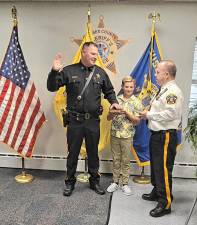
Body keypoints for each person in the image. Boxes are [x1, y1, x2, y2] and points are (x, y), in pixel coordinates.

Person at [47, 42, 121, 197]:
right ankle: (69, 182)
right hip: (75, 121)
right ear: (84, 52)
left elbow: (109, 90)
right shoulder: (69, 71)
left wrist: (114, 102)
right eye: (93, 53)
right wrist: (54, 72)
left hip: (93, 121)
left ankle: (94, 181)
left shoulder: (100, 72)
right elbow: (52, 87)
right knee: (72, 153)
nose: (96, 56)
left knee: (93, 153)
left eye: (97, 54)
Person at [140, 60, 183, 217]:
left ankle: (165, 203)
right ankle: (157, 191)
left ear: (166, 74)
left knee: (163, 169)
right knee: (156, 166)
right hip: (157, 134)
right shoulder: (163, 89)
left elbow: (172, 114)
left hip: (165, 135)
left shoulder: (172, 92)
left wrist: (149, 115)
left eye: (157, 71)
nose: (155, 74)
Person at [107, 76, 143, 195]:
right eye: (126, 86)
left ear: (134, 88)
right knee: (116, 159)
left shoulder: (137, 102)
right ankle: (115, 182)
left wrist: (126, 112)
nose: (128, 89)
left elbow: (137, 121)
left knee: (126, 160)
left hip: (127, 136)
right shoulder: (115, 100)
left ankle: (125, 183)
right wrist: (114, 113)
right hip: (115, 134)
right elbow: (108, 117)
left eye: (131, 87)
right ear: (122, 87)